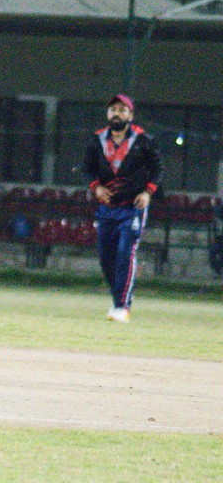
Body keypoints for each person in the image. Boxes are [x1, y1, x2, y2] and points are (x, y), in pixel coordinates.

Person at [81, 94, 162, 322]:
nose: (117, 114)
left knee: (126, 252)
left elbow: (157, 169)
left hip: (132, 207)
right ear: (108, 114)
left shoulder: (143, 140)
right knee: (106, 258)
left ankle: (121, 306)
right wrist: (96, 187)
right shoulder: (97, 140)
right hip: (107, 208)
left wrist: (147, 192)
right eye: (113, 109)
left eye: (122, 110)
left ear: (130, 115)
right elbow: (87, 169)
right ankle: (120, 295)